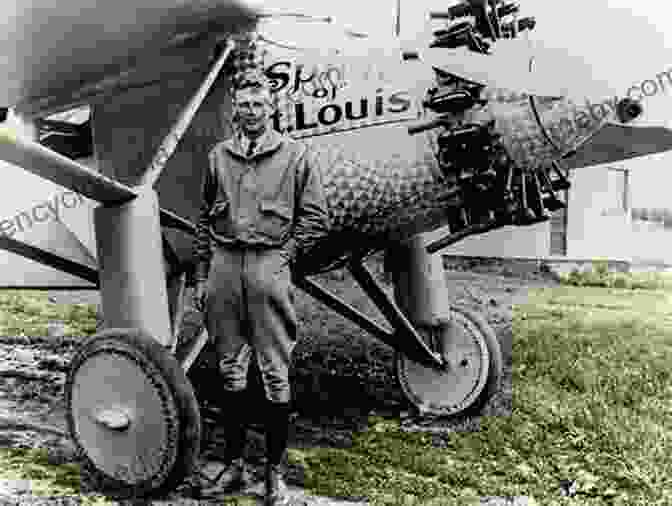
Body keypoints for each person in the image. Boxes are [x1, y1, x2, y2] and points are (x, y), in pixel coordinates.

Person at [188, 69, 330, 505]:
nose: (251, 112)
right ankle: (233, 466)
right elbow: (204, 220)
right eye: (244, 105)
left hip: (269, 266)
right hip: (224, 268)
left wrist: (283, 257)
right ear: (236, 108)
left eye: (259, 104)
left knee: (274, 373)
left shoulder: (296, 156)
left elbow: (316, 218)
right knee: (230, 369)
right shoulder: (218, 158)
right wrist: (201, 275)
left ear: (272, 108)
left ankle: (273, 473)